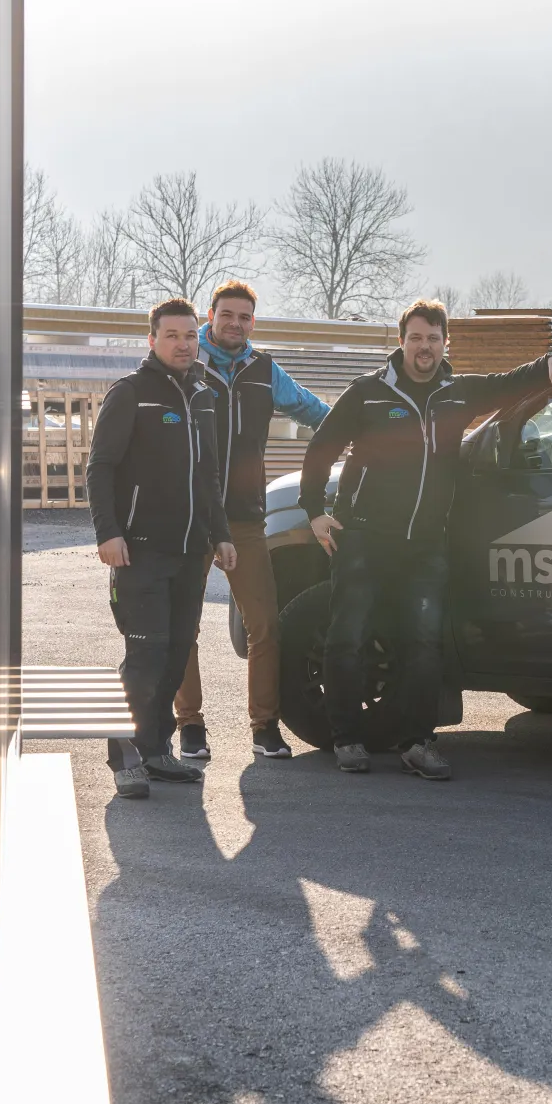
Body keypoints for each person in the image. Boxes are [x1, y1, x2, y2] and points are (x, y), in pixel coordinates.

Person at [300, 298, 552, 779]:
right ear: (401, 341)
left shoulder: (457, 394)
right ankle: (346, 738)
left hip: (425, 544)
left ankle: (417, 743)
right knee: (348, 636)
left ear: (445, 343)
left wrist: (549, 361)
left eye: (433, 338)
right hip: (363, 536)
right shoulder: (368, 392)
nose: (423, 347)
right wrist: (313, 511)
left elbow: (508, 384)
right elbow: (322, 446)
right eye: (415, 337)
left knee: (424, 644)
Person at [87, 297, 236, 800]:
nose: (183, 344)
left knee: (174, 657)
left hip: (191, 553)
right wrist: (108, 532)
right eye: (172, 335)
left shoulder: (204, 395)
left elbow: (209, 474)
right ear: (152, 340)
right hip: (140, 551)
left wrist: (220, 534)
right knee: (145, 658)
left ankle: (154, 750)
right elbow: (100, 467)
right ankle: (125, 757)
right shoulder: (131, 392)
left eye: (190, 335)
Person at [172, 280, 328, 763]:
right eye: (226, 315)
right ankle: (189, 724)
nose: (234, 324)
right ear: (211, 317)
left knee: (265, 627)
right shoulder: (187, 363)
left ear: (253, 322)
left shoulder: (264, 370)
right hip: (189, 517)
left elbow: (314, 410)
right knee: (183, 626)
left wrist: (360, 432)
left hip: (244, 518)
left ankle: (265, 726)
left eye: (244, 317)